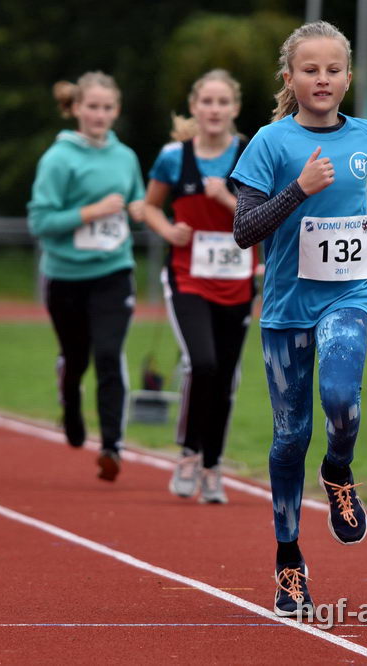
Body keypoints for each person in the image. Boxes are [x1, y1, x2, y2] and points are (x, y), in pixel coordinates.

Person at [229, 21, 367, 617]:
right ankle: (288, 558)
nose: (322, 79)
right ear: (290, 78)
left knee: (342, 396)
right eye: (310, 69)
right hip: (286, 309)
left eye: (333, 69)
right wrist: (297, 189)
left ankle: (339, 468)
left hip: (348, 294)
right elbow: (245, 229)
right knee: (289, 435)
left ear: (348, 77)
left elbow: (365, 205)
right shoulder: (270, 143)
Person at [143, 70, 255, 504]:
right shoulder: (174, 156)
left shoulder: (251, 155)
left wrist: (226, 199)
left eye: (222, 101)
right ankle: (189, 453)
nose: (214, 109)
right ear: (194, 107)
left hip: (238, 281)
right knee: (203, 363)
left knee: (225, 375)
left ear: (234, 108)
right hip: (188, 277)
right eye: (206, 101)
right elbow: (150, 207)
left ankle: (212, 465)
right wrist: (168, 231)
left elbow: (268, 218)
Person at [28, 71, 146, 482]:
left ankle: (112, 445)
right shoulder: (58, 159)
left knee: (109, 355)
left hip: (114, 271)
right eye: (92, 106)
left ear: (116, 111)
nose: (99, 114)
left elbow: (136, 201)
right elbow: (40, 221)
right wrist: (90, 212)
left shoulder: (125, 157)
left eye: (107, 107)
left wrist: (139, 210)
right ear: (77, 108)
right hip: (65, 276)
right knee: (77, 357)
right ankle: (70, 402)